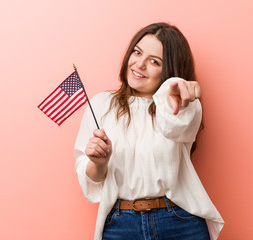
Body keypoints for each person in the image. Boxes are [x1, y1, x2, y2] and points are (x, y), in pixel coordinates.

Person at [74, 22, 224, 240]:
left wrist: (176, 92)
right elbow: (91, 180)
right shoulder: (101, 105)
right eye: (137, 52)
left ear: (169, 70)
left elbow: (179, 127)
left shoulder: (180, 106)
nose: (139, 64)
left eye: (154, 61)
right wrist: (99, 162)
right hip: (120, 224)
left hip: (179, 221)